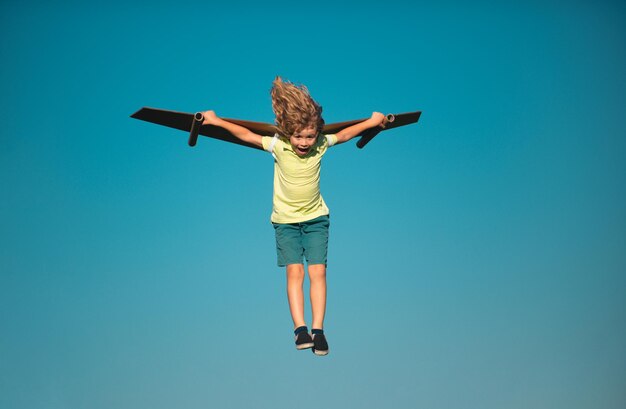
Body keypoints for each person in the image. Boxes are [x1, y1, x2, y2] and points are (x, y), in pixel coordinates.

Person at [202, 77, 384, 355]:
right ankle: (300, 329)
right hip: (285, 222)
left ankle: (318, 330)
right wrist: (215, 121)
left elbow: (346, 134)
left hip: (316, 219)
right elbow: (245, 135)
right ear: (288, 134)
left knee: (318, 273)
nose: (304, 142)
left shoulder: (321, 144)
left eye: (309, 137)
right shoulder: (279, 146)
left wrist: (373, 121)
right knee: (295, 272)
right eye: (299, 136)